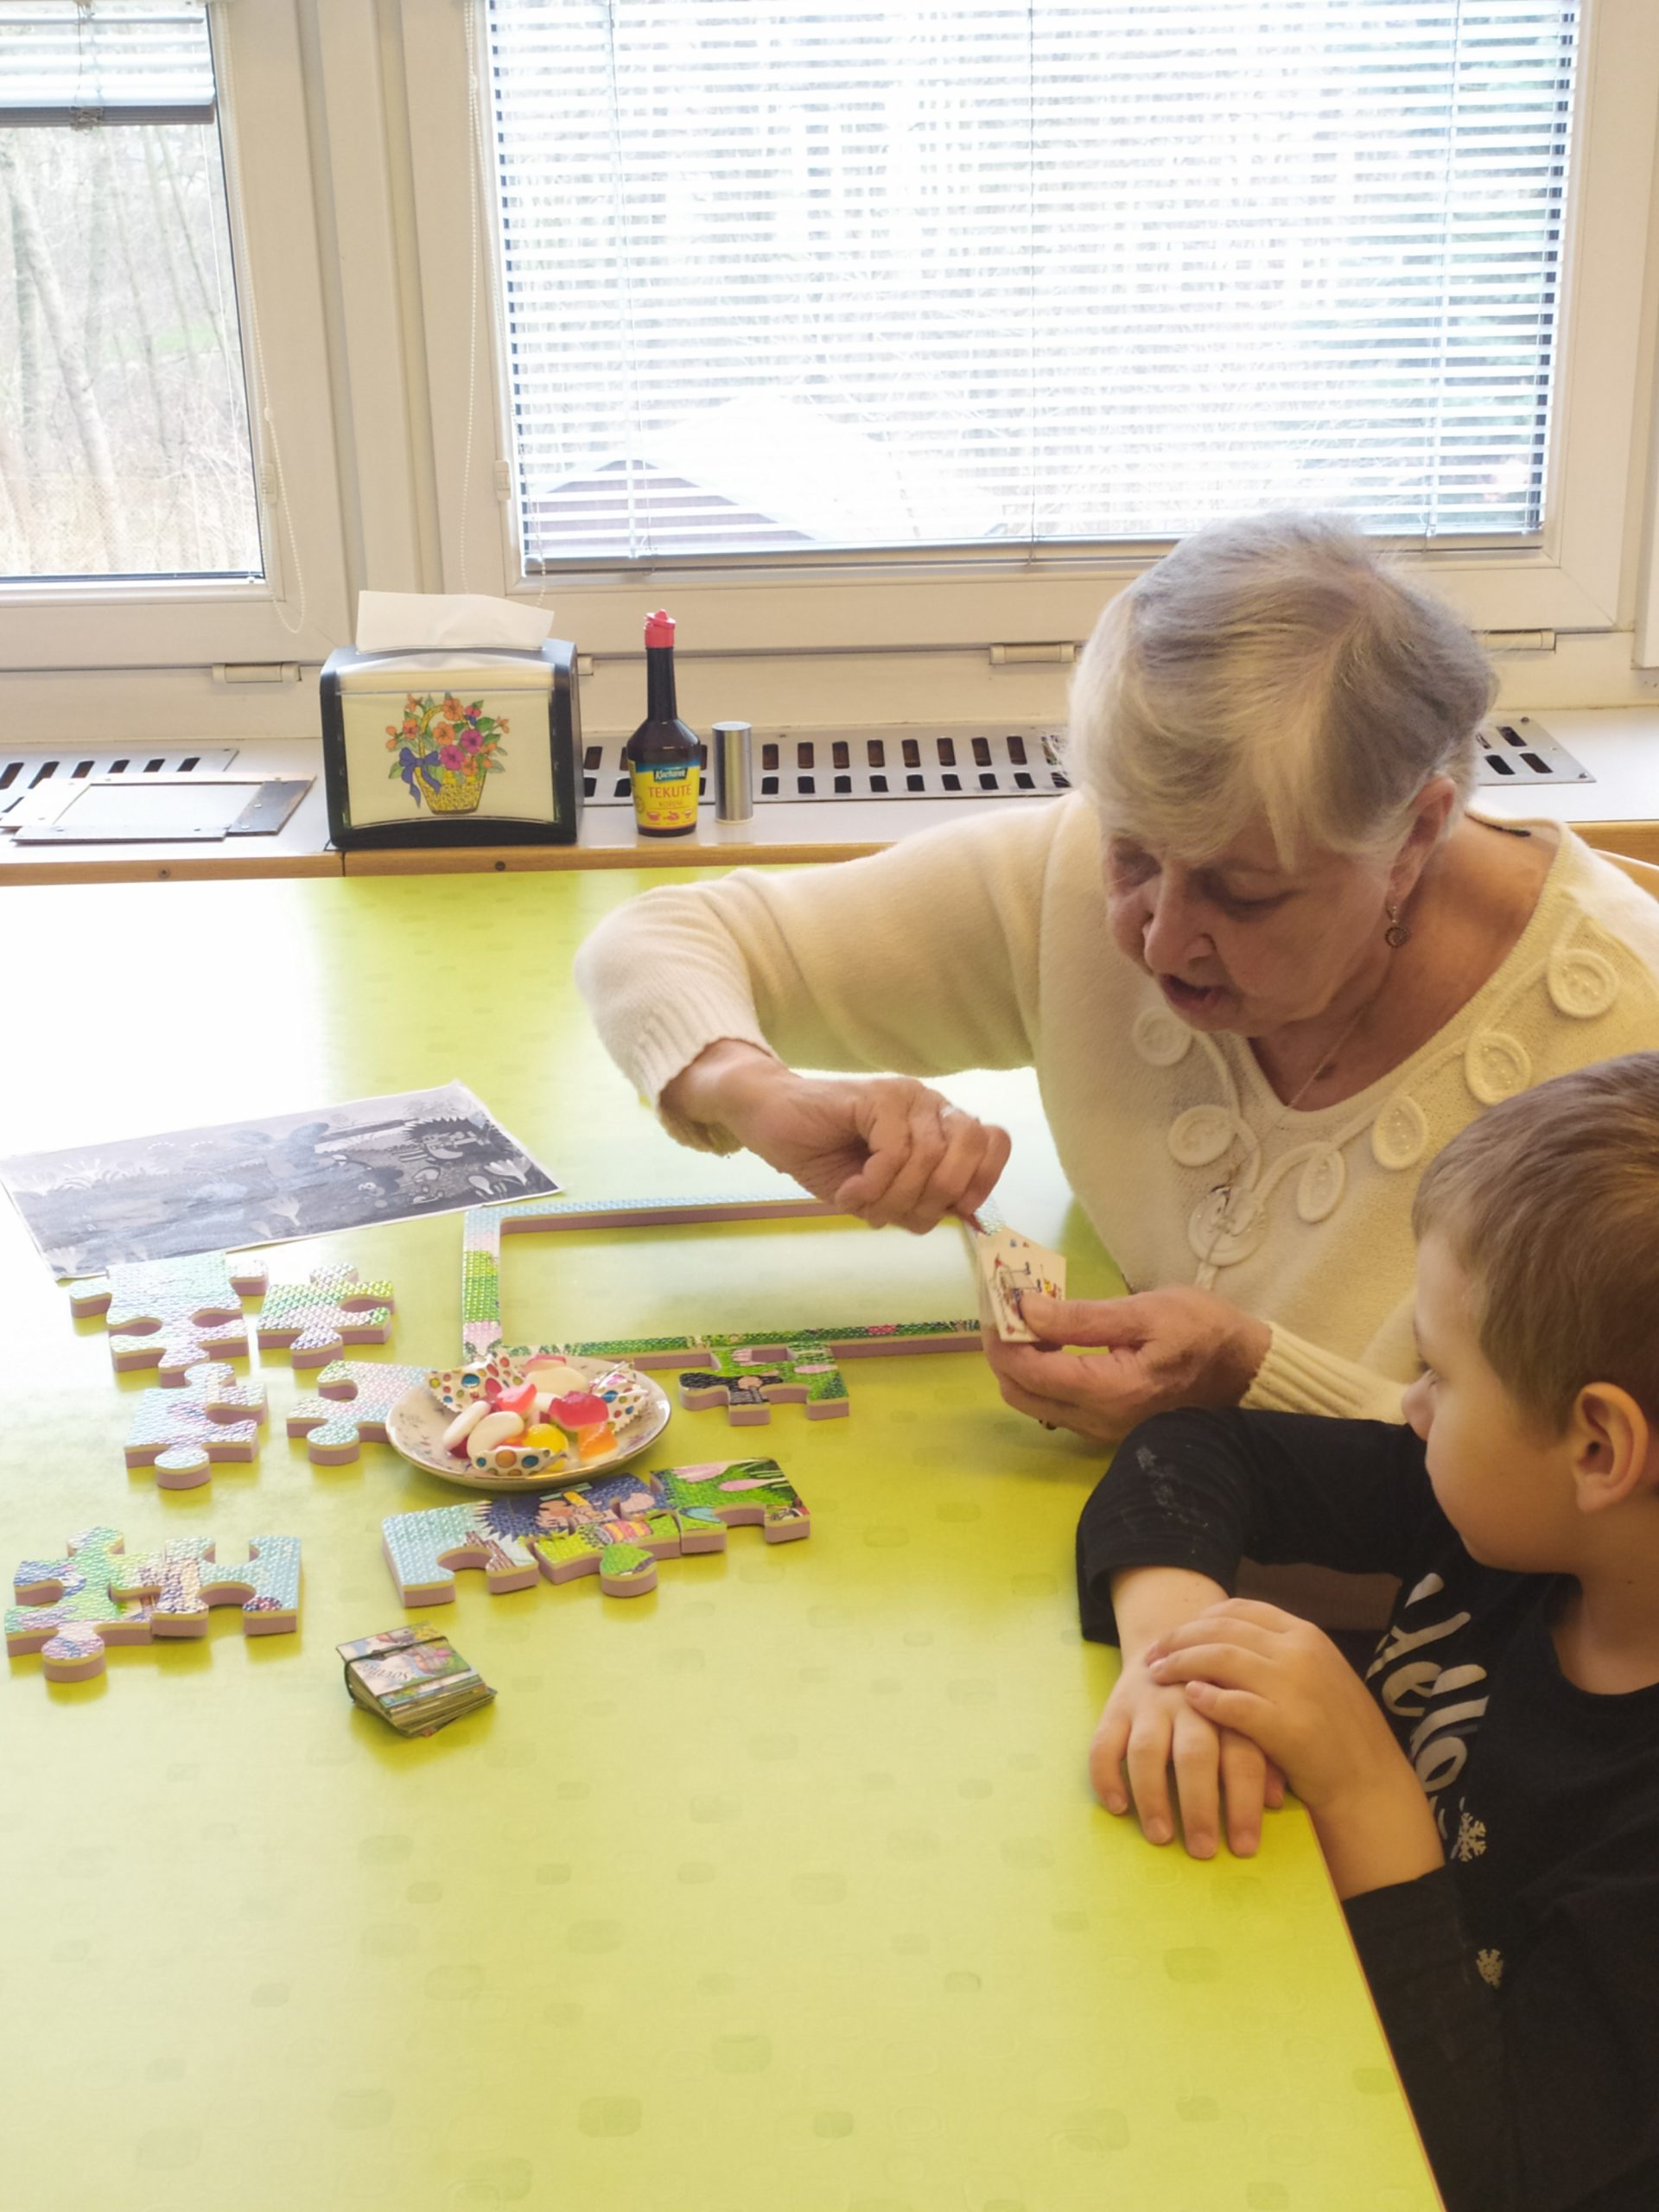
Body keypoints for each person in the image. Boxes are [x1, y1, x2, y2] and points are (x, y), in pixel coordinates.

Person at [575, 512, 1659, 1440]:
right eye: (1130, 853)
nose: (1160, 939)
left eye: (1244, 893)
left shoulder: (1622, 1038)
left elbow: (1596, 1493)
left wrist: (1251, 1384)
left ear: (1417, 833)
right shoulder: (1079, 868)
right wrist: (755, 1091)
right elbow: (656, 943)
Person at [1076, 1054, 1659, 2212]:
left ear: (1598, 1448)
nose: (1410, 1406)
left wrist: (1366, 1789)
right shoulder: (1524, 1533)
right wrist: (1177, 1647)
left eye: (1437, 1370)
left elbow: (1497, 2172)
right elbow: (1192, 1447)